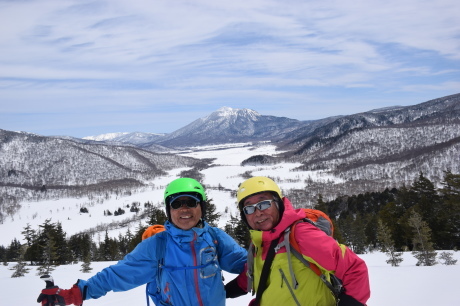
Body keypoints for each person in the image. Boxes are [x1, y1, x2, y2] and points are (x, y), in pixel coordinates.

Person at [37, 178, 247, 306]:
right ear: (169, 210)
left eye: (191, 202)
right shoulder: (157, 245)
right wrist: (74, 294)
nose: (184, 209)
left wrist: (274, 256)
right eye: (177, 203)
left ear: (201, 207)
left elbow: (247, 263)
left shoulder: (215, 238)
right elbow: (116, 275)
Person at [226, 176, 370, 306]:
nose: (258, 212)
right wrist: (224, 291)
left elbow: (354, 268)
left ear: (278, 203)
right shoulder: (259, 244)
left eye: (264, 204)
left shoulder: (300, 234)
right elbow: (255, 275)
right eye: (249, 208)